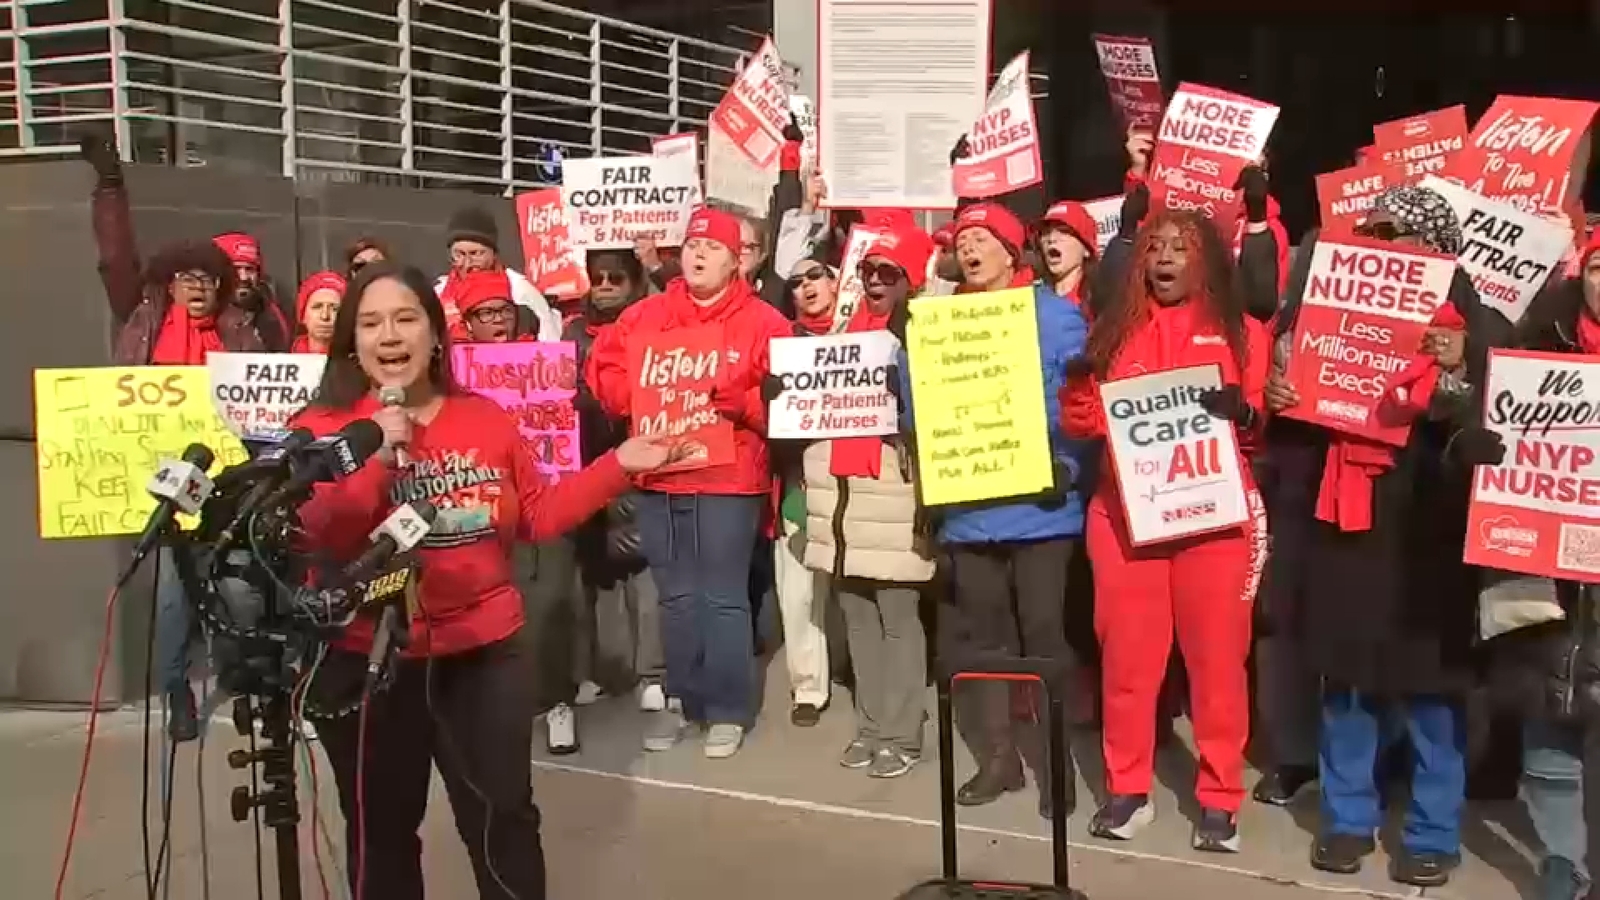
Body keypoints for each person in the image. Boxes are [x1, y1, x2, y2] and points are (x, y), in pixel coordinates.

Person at [293, 262, 683, 900]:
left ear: (435, 334)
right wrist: (372, 456)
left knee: (503, 822)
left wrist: (618, 465)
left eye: (404, 318)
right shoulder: (325, 429)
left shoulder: (486, 420)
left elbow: (534, 517)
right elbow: (319, 535)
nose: (389, 335)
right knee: (382, 833)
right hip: (373, 661)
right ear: (352, 343)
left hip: (482, 654)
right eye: (370, 323)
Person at [1266, 186, 1481, 887]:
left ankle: (1432, 830)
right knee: (1347, 682)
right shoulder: (1324, 304)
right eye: (1373, 233)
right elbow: (1292, 387)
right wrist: (1282, 391)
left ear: (1435, 250)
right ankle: (1347, 820)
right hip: (1346, 520)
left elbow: (1489, 425)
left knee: (1429, 692)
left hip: (1425, 535)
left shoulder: (1473, 323)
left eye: (1398, 235)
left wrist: (1459, 369)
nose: (1381, 248)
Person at [1061, 209, 1270, 853]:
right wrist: (1077, 388)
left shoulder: (1245, 335)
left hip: (1215, 525)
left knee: (1217, 666)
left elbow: (1264, 423)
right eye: (1155, 247)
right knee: (1127, 663)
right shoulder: (1112, 334)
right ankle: (1128, 789)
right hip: (1124, 521)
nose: (1166, 257)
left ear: (1205, 257)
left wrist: (1245, 412)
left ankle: (1219, 798)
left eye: (1181, 247)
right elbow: (1083, 425)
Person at [586, 206, 794, 759]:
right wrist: (623, 396)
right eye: (693, 246)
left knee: (722, 595)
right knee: (674, 596)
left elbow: (790, 399)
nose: (699, 255)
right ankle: (684, 699)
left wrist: (745, 403)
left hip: (729, 477)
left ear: (738, 262)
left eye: (715, 248)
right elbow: (603, 366)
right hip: (660, 473)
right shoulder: (644, 316)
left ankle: (727, 709)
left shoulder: (766, 323)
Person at [922, 201, 1090, 819]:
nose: (967, 249)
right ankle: (998, 761)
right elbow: (922, 411)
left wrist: (1066, 466)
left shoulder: (1055, 318)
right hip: (969, 510)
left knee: (1045, 640)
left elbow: (1080, 404)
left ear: (1009, 249)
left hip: (1041, 511)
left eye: (979, 238)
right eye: (960, 240)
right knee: (983, 642)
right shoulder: (937, 325)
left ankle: (1056, 766)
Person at [1463, 232, 1600, 900]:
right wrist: (1479, 443)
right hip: (1551, 578)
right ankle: (1561, 859)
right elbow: (1485, 429)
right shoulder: (1535, 347)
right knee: (1552, 715)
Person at [791, 222, 937, 777]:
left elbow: (929, 419)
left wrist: (904, 402)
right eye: (868, 271)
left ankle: (904, 733)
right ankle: (872, 727)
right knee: (855, 617)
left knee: (897, 617)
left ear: (910, 280)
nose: (875, 281)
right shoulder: (840, 330)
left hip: (893, 494)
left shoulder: (922, 333)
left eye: (888, 273)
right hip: (841, 497)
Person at [570, 250, 667, 718]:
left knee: (644, 570)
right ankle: (602, 670)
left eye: (614, 278)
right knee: (591, 574)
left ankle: (652, 674)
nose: (604, 285)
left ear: (634, 281)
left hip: (641, 459)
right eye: (596, 278)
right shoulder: (570, 333)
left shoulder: (656, 325)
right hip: (583, 464)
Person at [770, 255, 843, 727]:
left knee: (852, 592)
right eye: (796, 282)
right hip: (798, 481)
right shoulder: (778, 345)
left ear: (838, 280)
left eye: (815, 275)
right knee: (798, 591)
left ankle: (856, 668)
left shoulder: (865, 334)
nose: (806, 286)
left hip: (857, 484)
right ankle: (807, 687)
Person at [435, 206, 562, 340]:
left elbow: (551, 343)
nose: (467, 264)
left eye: (476, 254)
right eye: (459, 255)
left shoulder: (520, 292)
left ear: (494, 253)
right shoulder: (439, 293)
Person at [214, 232, 292, 351]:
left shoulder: (274, 317)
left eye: (250, 269)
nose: (244, 277)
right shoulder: (203, 317)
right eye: (236, 269)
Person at [291, 271, 345, 354]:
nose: (325, 316)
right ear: (303, 315)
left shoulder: (359, 362)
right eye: (317, 307)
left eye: (334, 309)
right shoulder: (280, 361)